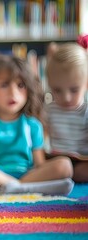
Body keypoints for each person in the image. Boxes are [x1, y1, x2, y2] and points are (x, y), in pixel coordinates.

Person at [0, 54, 74, 196]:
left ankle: (17, 187)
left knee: (65, 165)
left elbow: (39, 163)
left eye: (20, 85)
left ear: (29, 90)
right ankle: (24, 187)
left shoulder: (33, 125)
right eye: (4, 85)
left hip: (29, 174)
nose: (13, 92)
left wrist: (43, 172)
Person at [45, 43, 88, 183]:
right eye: (57, 90)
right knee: (57, 167)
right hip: (58, 161)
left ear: (86, 83)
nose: (66, 97)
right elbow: (40, 137)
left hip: (82, 161)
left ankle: (66, 177)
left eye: (74, 90)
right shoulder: (49, 109)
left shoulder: (85, 110)